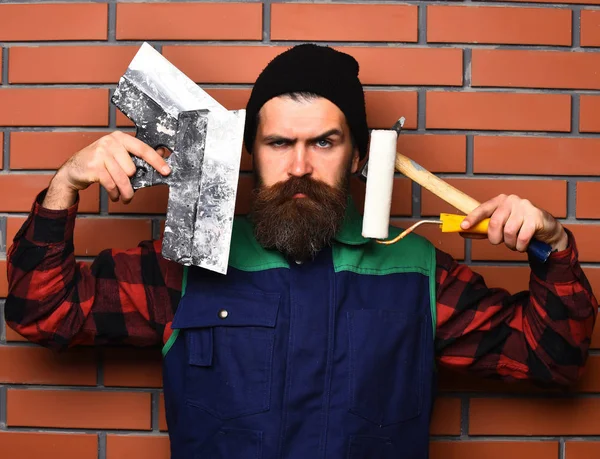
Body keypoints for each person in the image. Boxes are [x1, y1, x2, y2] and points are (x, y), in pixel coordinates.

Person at [5, 44, 598, 459]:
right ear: (250, 154)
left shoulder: (415, 273)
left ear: (359, 157)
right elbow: (40, 311)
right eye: (278, 142)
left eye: (324, 142)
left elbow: (556, 359)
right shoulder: (185, 266)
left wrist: (552, 246)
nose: (298, 166)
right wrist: (64, 187)